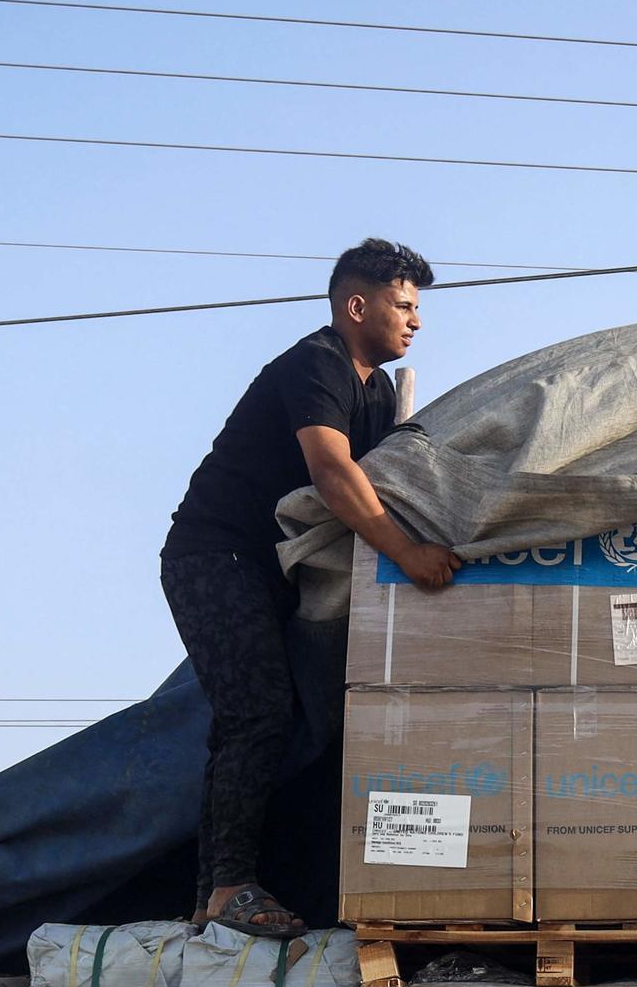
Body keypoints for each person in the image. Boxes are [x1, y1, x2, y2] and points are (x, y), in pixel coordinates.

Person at [163, 236, 459, 937]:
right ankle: (231, 885)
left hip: (271, 571)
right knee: (257, 713)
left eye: (419, 308)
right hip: (215, 556)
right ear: (357, 305)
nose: (415, 321)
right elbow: (334, 474)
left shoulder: (379, 389)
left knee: (266, 718)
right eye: (402, 304)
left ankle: (212, 892)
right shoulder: (317, 363)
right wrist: (408, 552)